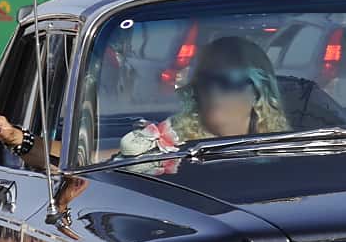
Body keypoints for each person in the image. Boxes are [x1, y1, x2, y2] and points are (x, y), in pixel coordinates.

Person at [117, 35, 291, 155]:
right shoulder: (168, 140)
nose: (212, 90)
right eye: (204, 80)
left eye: (227, 80)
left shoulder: (294, 148)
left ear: (257, 91)